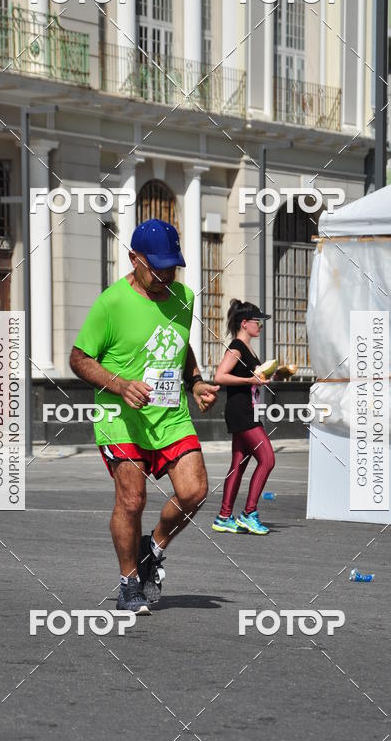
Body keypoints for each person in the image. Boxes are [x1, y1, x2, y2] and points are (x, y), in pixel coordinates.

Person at [69, 218, 219, 615]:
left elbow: (179, 344)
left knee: (195, 491)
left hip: (169, 414)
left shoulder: (183, 297)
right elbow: (79, 359)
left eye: (172, 266)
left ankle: (152, 548)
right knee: (132, 499)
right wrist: (119, 385)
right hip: (120, 416)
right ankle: (129, 582)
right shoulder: (112, 302)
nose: (166, 275)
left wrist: (197, 381)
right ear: (134, 259)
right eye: (158, 267)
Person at [212, 299, 275, 536]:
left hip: (249, 409)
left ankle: (224, 516)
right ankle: (249, 514)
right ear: (244, 323)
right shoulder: (236, 347)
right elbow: (219, 376)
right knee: (267, 459)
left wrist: (266, 376)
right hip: (241, 412)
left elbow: (254, 378)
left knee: (238, 465)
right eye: (257, 321)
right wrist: (250, 380)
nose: (260, 325)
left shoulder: (248, 348)